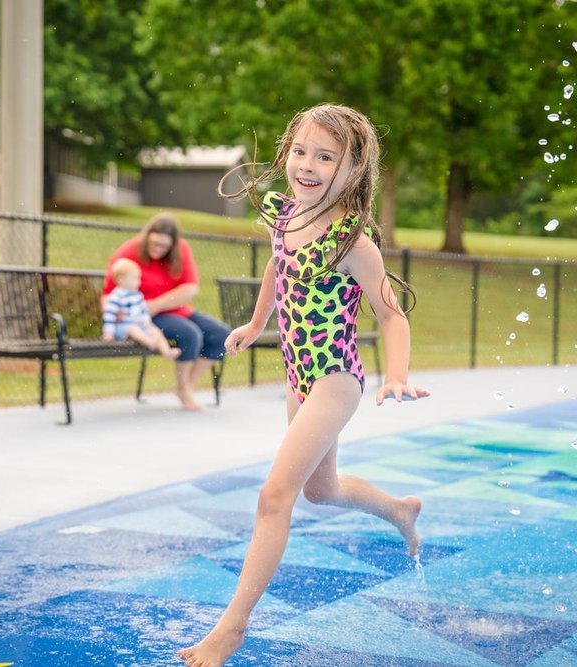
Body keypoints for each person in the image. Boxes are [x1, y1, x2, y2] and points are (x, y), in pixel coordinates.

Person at [179, 103, 429, 667]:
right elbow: (277, 265)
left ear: (353, 170)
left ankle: (231, 629)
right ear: (285, 153)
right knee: (322, 490)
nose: (307, 165)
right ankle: (399, 511)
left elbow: (390, 314)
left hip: (335, 378)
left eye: (326, 157)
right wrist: (255, 322)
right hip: (297, 372)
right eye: (300, 152)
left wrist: (396, 376)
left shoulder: (352, 244)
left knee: (276, 496)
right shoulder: (284, 215)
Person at [102, 213, 230, 411]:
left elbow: (190, 288)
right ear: (146, 238)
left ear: (173, 245)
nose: (157, 249)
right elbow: (108, 294)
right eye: (154, 243)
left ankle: (185, 385)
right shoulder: (129, 251)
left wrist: (156, 304)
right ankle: (184, 389)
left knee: (222, 335)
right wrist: (114, 316)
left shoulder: (182, 250)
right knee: (190, 334)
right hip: (142, 317)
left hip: (172, 309)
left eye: (163, 246)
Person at [102, 258, 181, 360]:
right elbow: (109, 315)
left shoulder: (137, 295)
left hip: (139, 325)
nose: (139, 282)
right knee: (132, 329)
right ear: (121, 279)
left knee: (156, 330)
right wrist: (109, 333)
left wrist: (146, 321)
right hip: (122, 328)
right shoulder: (116, 297)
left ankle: (167, 352)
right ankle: (150, 342)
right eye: (135, 279)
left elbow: (143, 311)